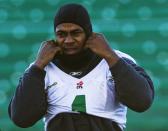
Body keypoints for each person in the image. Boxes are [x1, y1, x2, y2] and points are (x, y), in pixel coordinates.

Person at [8, 3, 154, 131]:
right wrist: (38, 66)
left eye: (76, 32)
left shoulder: (118, 59)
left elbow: (142, 102)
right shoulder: (39, 69)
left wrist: (110, 56)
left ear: (88, 33)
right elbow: (21, 118)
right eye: (61, 34)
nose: (68, 40)